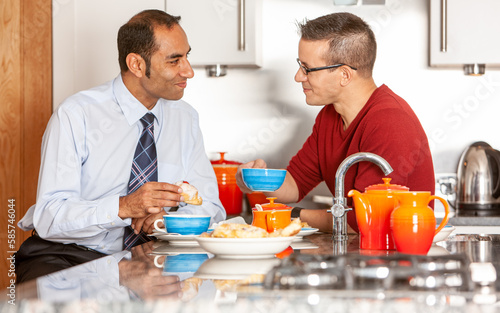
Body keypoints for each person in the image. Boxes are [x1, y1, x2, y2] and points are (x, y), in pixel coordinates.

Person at [18, 9, 225, 255]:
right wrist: (124, 207)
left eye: (187, 57)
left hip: (154, 257)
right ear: (136, 64)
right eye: (174, 60)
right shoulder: (76, 115)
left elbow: (212, 206)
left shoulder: (186, 118)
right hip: (72, 255)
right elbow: (49, 217)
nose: (188, 71)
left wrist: (167, 223)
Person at [236, 12, 435, 233]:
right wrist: (255, 181)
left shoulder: (390, 122)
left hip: (396, 261)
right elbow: (294, 185)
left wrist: (290, 216)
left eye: (307, 69)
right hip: (358, 254)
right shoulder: (329, 116)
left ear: (344, 75)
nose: (298, 76)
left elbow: (364, 219)